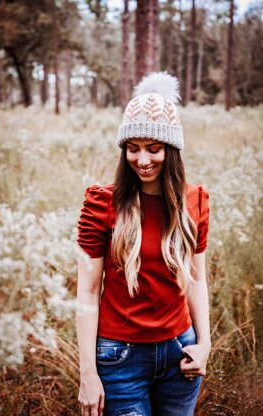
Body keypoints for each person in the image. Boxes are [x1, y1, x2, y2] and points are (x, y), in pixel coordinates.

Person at [76, 72, 211, 416]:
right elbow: (88, 293)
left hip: (181, 353)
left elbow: (196, 279)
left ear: (172, 149)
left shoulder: (194, 200)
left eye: (154, 149)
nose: (143, 160)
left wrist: (204, 343)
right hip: (119, 359)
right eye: (133, 149)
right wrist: (88, 374)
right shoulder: (101, 204)